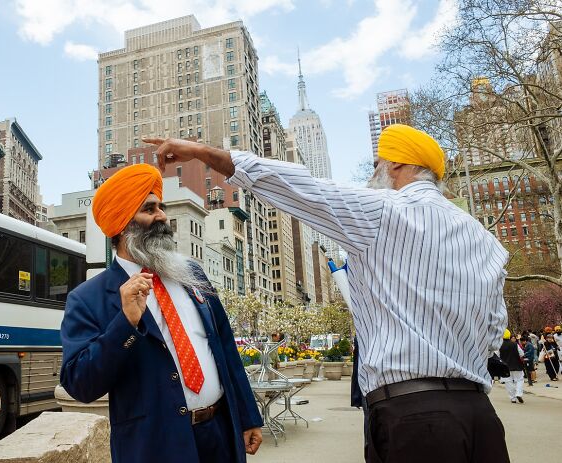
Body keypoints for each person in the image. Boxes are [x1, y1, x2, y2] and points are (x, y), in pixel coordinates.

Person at [145, 126, 510, 463]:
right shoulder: (485, 240)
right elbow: (495, 329)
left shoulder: (382, 211)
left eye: (376, 164)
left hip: (416, 420)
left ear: (396, 163)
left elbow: (294, 186)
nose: (374, 174)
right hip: (480, 414)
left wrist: (201, 151)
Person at [59, 164, 263, 463]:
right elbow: (80, 384)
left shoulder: (191, 272)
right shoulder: (88, 299)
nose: (162, 217)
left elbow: (225, 346)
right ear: (122, 225)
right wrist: (125, 323)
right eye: (149, 209)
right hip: (156, 445)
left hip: (220, 433)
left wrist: (247, 414)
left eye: (161, 207)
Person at [499, 329, 525, 403]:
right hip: (516, 365)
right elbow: (522, 354)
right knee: (519, 379)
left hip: (505, 367)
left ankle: (512, 398)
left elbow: (496, 355)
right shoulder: (515, 344)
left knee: (508, 382)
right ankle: (518, 393)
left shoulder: (499, 345)